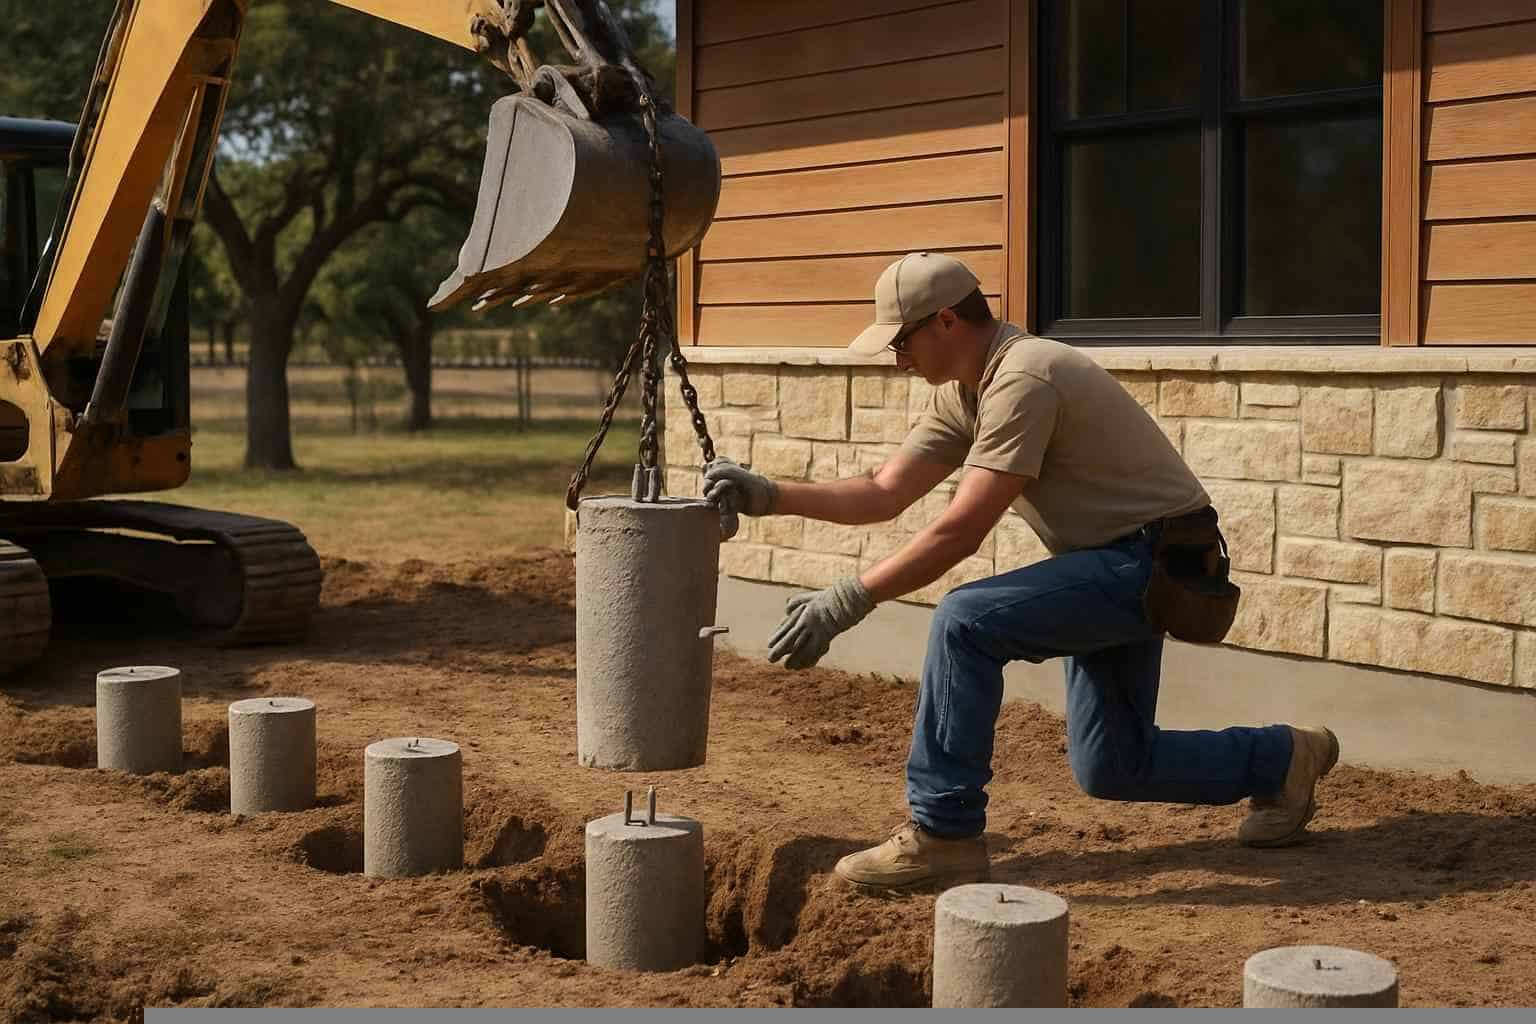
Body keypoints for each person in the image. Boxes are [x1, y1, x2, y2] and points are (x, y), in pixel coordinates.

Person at [702, 252, 1339, 891]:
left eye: (901, 341)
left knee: (965, 621)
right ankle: (1283, 758)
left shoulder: (1025, 377)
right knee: (1113, 766)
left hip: (1153, 561)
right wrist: (769, 495)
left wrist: (849, 599)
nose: (898, 360)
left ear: (945, 321)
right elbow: (883, 490)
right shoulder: (969, 390)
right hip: (1115, 560)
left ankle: (943, 833)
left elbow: (960, 530)